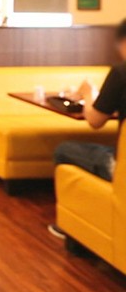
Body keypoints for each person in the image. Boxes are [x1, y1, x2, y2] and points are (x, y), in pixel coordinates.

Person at [48, 18, 126, 239]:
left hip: (122, 169)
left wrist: (88, 92)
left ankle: (71, 226)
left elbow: (94, 120)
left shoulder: (121, 72)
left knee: (63, 150)